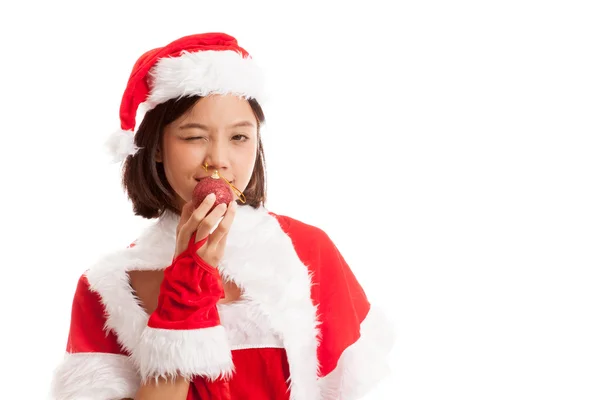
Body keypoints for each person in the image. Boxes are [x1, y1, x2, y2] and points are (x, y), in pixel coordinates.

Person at [50, 32, 394, 400]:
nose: (218, 159)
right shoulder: (110, 288)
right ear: (157, 148)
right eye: (194, 136)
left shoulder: (307, 252)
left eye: (239, 137)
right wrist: (183, 295)